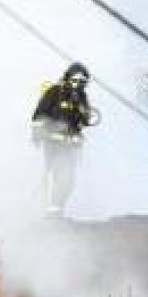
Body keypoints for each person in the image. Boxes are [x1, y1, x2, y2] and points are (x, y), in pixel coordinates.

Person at [30, 62, 96, 217]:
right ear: (68, 78)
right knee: (62, 175)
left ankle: (57, 210)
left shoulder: (81, 97)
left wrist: (83, 113)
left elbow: (84, 121)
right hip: (53, 143)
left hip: (70, 145)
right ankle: (53, 211)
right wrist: (40, 134)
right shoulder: (54, 92)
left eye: (82, 82)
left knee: (69, 179)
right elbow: (39, 116)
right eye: (76, 80)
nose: (78, 85)